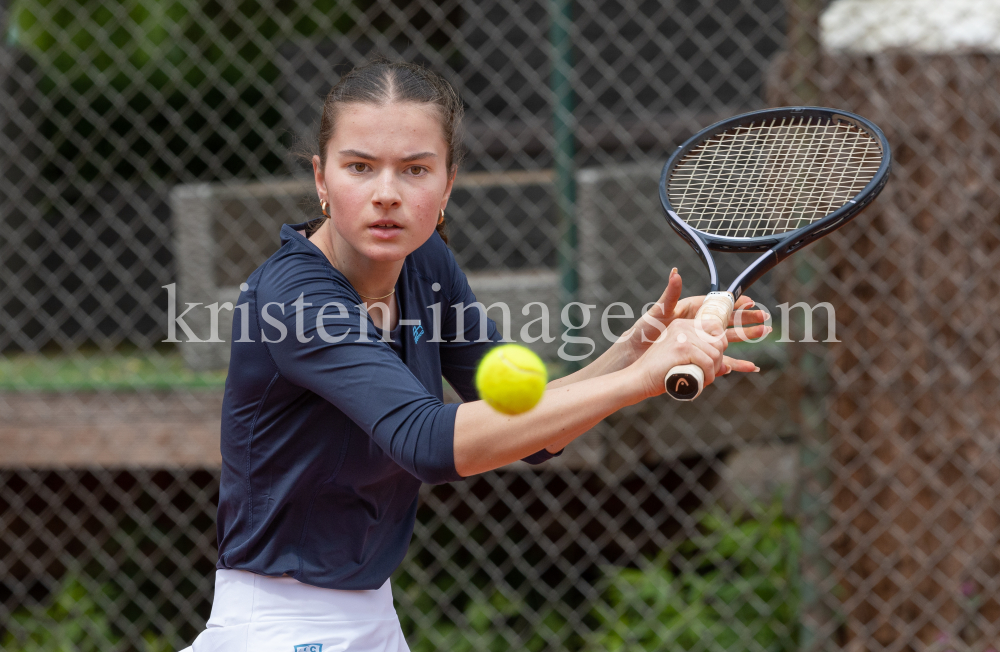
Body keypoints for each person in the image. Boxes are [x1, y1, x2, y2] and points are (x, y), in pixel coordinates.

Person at [180, 59, 767, 651]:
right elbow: (428, 442)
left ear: (448, 184)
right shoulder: (296, 298)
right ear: (321, 179)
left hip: (370, 614)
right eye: (360, 167)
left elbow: (528, 424)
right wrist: (640, 379)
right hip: (280, 623)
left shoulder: (425, 263)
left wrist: (636, 346)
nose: (387, 194)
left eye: (415, 170)